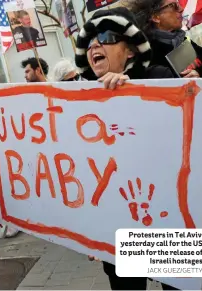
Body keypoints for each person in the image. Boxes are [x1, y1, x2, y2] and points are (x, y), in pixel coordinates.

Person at [75, 6, 176, 290]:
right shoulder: (80, 101)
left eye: (106, 36)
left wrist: (132, 94)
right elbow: (82, 168)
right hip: (118, 226)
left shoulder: (161, 79)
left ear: (131, 50)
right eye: (90, 40)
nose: (95, 44)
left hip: (168, 222)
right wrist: (86, 230)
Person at [126, 0, 202, 77]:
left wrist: (199, 74)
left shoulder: (179, 38)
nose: (181, 9)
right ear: (155, 17)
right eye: (173, 6)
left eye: (178, 4)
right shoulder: (146, 53)